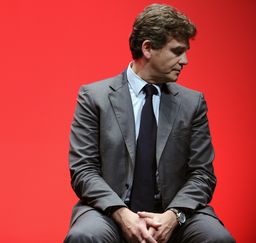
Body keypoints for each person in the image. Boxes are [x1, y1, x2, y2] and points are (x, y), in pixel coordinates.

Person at [64, 4, 234, 243]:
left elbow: (202, 174)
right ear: (148, 48)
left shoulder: (192, 103)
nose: (185, 60)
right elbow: (83, 169)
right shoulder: (94, 97)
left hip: (176, 213)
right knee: (85, 236)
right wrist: (121, 214)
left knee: (217, 238)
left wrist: (173, 216)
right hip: (110, 212)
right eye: (177, 51)